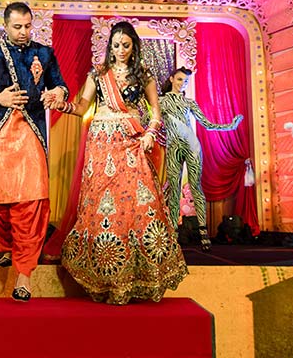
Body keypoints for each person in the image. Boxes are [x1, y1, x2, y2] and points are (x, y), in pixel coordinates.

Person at [53, 21, 188, 304]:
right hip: (101, 144)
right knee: (101, 205)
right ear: (110, 47)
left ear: (134, 46)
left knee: (138, 204)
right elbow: (82, 107)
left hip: (132, 141)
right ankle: (105, 278)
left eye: (126, 45)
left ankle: (138, 276)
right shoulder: (98, 74)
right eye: (116, 45)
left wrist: (150, 134)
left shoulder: (144, 75)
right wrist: (62, 105)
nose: (121, 50)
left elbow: (155, 113)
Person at [0, 1, 68, 301]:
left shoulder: (44, 53)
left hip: (30, 135)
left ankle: (24, 274)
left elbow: (60, 85)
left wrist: (57, 92)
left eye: (27, 26)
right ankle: (10, 247)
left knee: (31, 202)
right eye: (17, 27)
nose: (23, 32)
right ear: (5, 26)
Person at [160, 67, 243, 251]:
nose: (183, 84)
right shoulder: (161, 101)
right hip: (173, 147)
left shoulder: (189, 102)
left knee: (196, 187)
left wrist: (230, 126)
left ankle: (204, 233)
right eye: (180, 79)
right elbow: (150, 122)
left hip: (192, 147)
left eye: (186, 81)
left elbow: (207, 124)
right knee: (174, 190)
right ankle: (173, 233)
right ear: (172, 79)